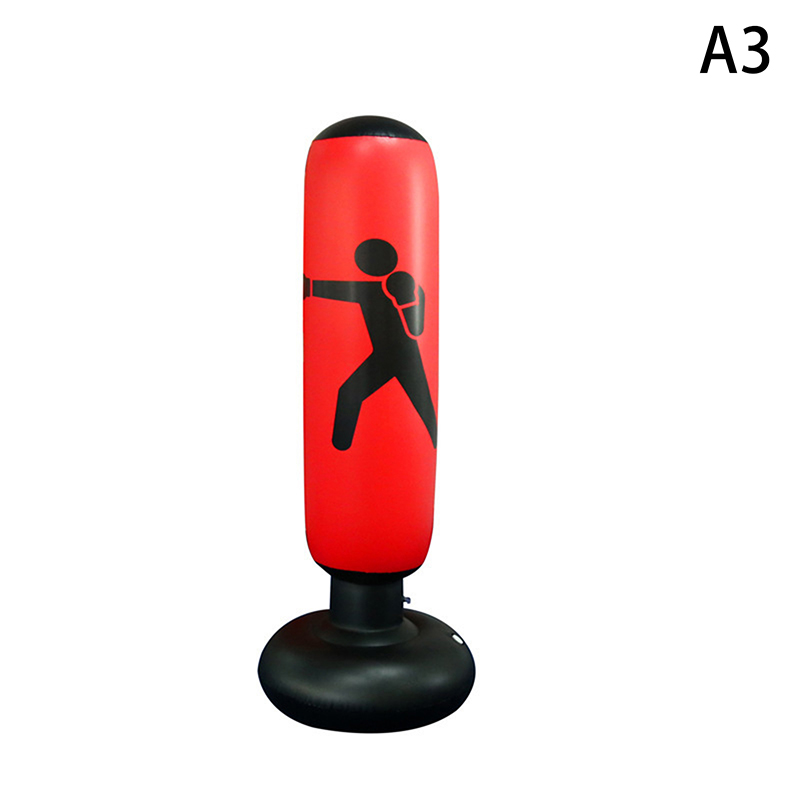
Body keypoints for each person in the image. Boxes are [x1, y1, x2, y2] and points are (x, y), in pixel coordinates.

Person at [304, 238, 437, 450]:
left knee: (424, 407)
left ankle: (428, 447)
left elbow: (416, 331)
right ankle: (340, 450)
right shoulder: (371, 289)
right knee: (349, 392)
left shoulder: (408, 286)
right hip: (382, 357)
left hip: (406, 357)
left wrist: (406, 301)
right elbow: (336, 289)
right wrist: (310, 287)